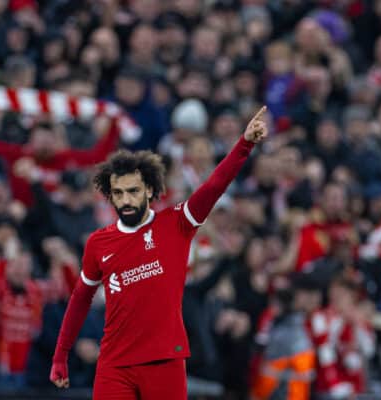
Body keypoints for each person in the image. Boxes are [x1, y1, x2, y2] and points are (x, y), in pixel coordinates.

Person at [50, 106, 269, 399]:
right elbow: (79, 300)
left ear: (150, 191)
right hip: (115, 362)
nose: (126, 200)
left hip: (164, 359)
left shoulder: (176, 223)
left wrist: (245, 144)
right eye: (118, 193)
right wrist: (60, 355)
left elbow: (214, 187)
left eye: (133, 191)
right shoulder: (99, 242)